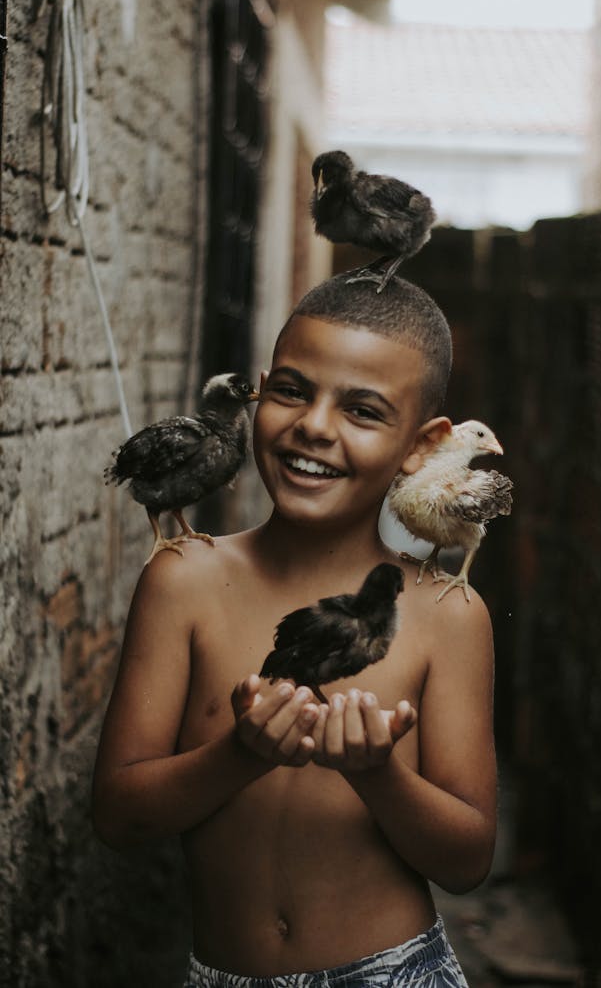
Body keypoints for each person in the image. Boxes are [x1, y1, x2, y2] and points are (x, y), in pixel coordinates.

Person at [93, 273, 498, 987]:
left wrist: (377, 773)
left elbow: (467, 861)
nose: (313, 425)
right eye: (290, 390)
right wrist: (241, 754)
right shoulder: (182, 580)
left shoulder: (445, 615)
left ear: (422, 442)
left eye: (363, 410)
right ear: (259, 391)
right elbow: (118, 816)